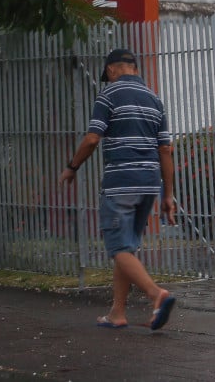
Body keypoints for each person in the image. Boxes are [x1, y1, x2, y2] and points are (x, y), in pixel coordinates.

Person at [60, 48, 177, 331]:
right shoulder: (155, 100)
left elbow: (91, 139)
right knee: (127, 248)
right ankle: (117, 313)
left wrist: (72, 167)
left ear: (112, 69)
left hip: (121, 182)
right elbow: (165, 149)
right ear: (134, 68)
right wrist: (168, 195)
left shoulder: (108, 95)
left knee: (118, 248)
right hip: (149, 183)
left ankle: (156, 295)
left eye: (107, 75)